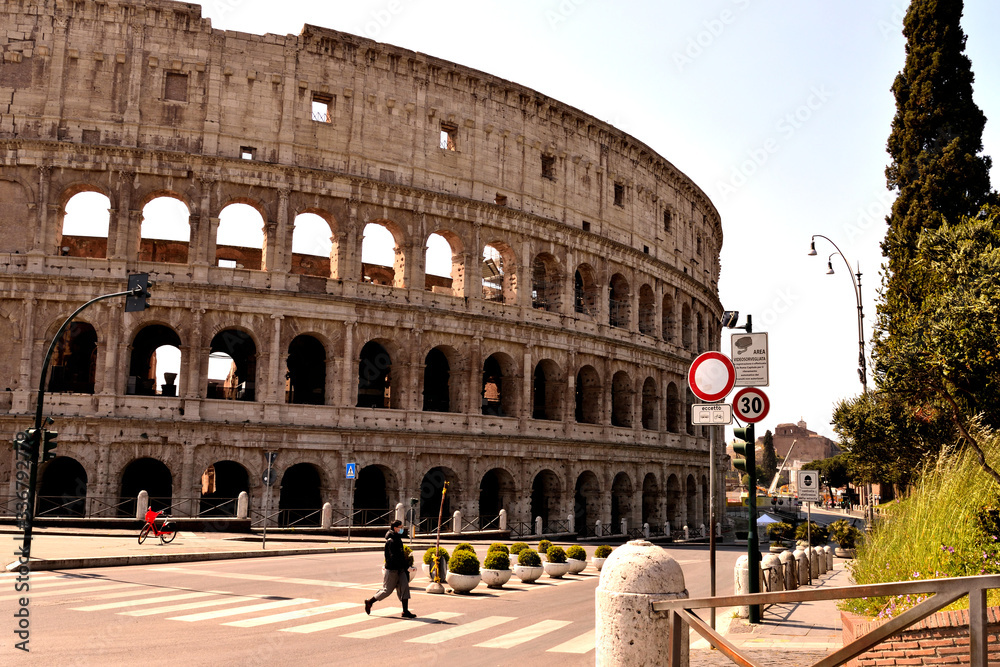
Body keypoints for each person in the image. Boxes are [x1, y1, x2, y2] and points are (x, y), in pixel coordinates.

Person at [364, 520, 415, 618]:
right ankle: (369, 602)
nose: (402, 529)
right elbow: (392, 557)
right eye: (400, 527)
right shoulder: (391, 541)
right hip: (392, 569)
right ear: (395, 528)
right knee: (387, 590)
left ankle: (405, 611)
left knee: (405, 588)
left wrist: (405, 566)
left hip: (400, 569)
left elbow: (400, 555)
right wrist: (402, 565)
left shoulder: (398, 538)